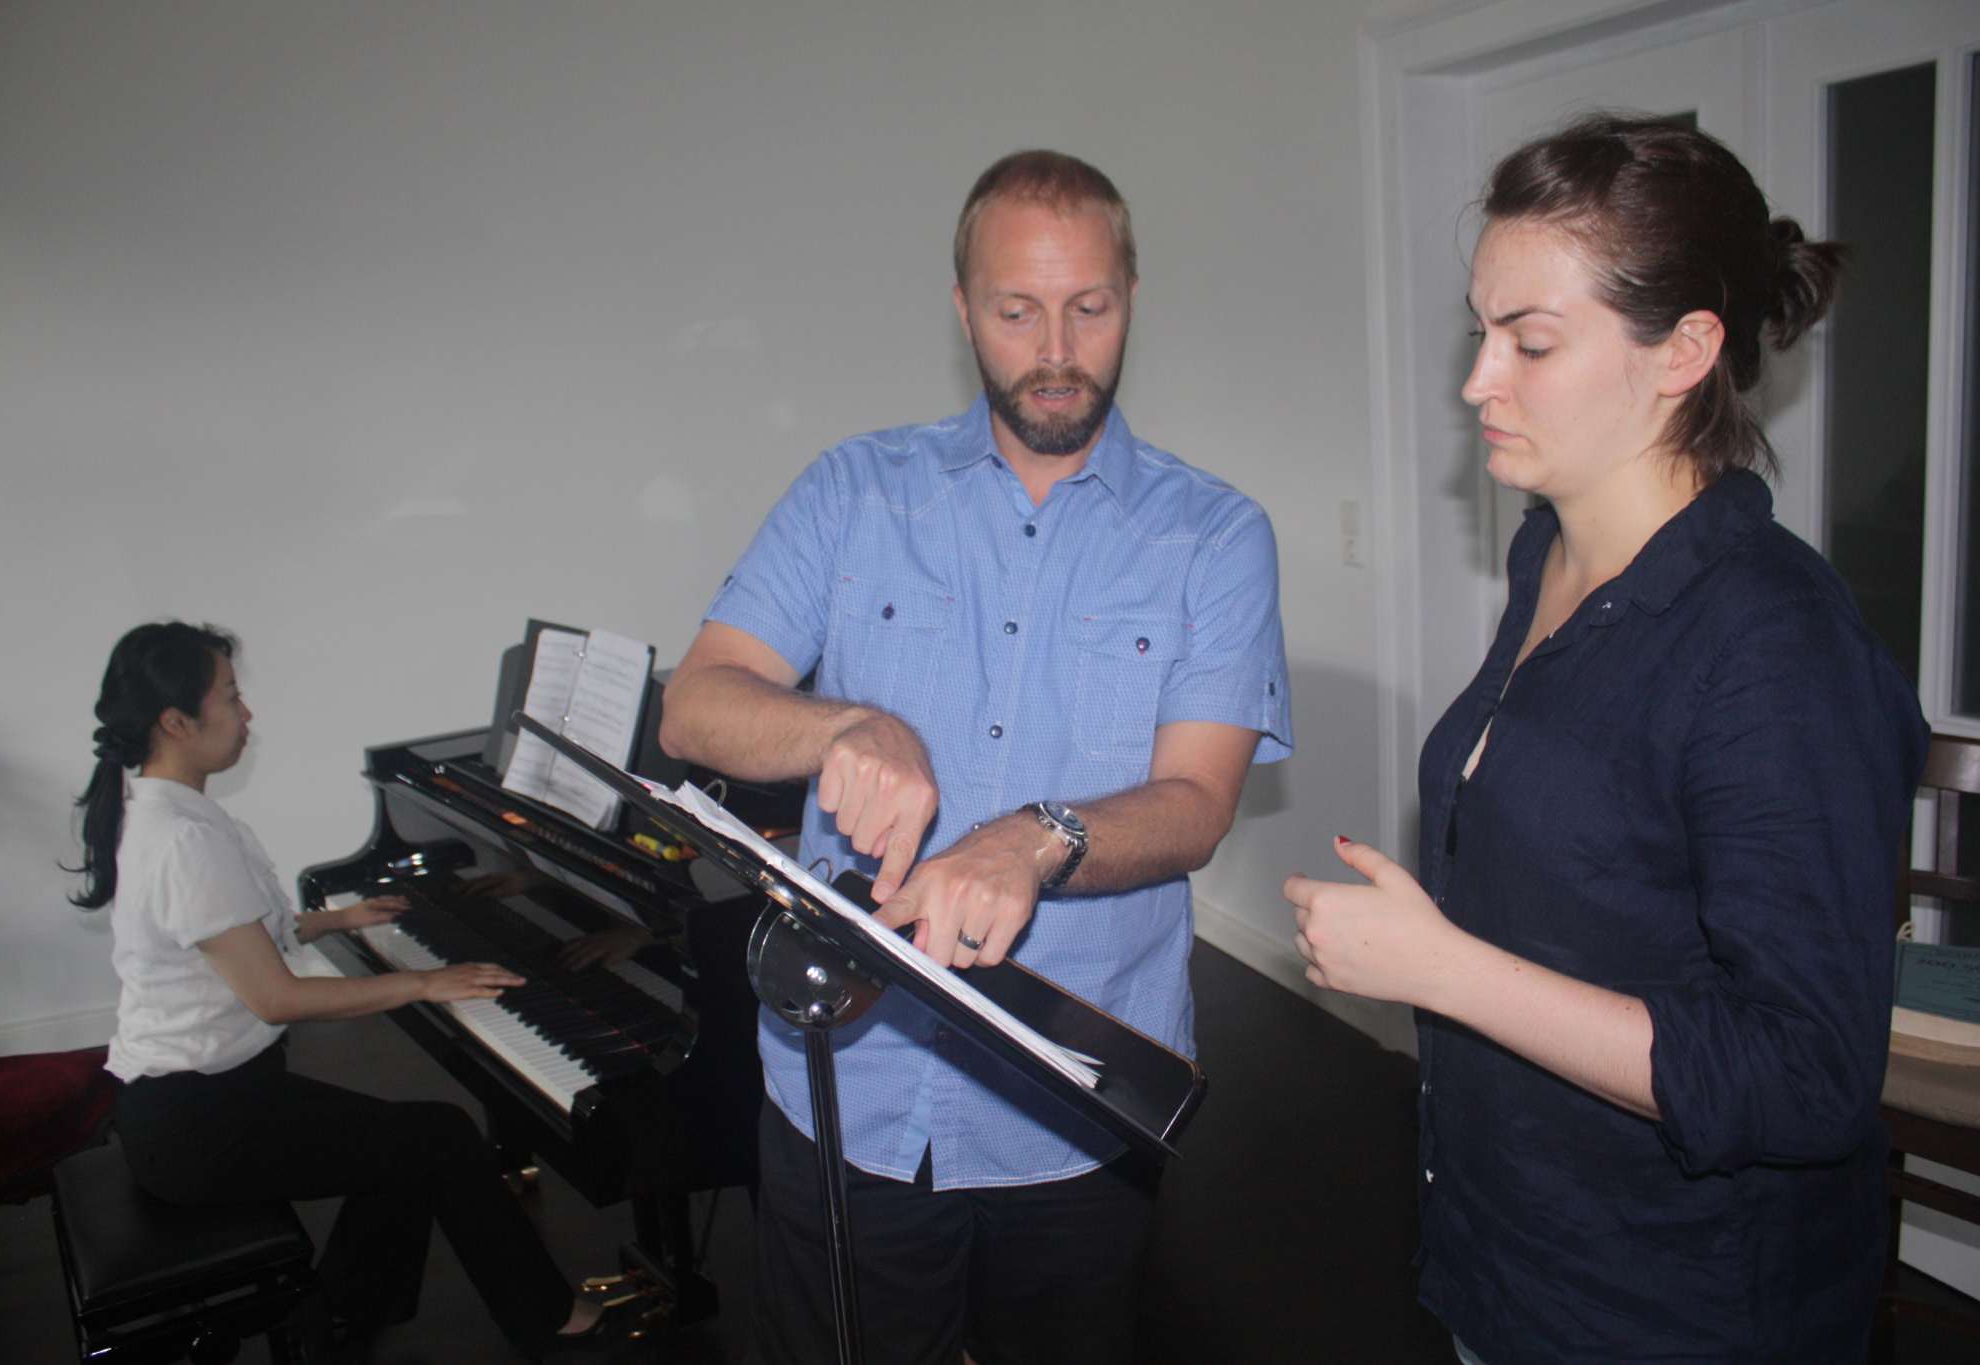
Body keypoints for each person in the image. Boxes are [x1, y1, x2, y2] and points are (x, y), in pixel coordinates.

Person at [1285, 114, 1929, 1363]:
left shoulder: (1772, 646)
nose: (1478, 381)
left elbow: (1804, 1077)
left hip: (1672, 1310)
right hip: (1509, 1250)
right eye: (1479, 332)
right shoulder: (1548, 551)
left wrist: (1439, 968)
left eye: (1530, 342)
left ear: (1683, 349)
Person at [658, 150, 1291, 1364]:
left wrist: (1035, 839)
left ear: (1130, 299)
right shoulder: (853, 489)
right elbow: (695, 705)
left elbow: (1196, 804)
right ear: (961, 311)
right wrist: (840, 726)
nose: (1055, 350)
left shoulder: (1214, 534)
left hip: (1073, 1107)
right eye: (1015, 311)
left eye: (1088, 307)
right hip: (846, 1087)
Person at [70, 621, 620, 1359]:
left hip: (190, 1102)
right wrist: (422, 981)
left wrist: (334, 920)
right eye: (230, 696)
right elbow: (275, 997)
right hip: (200, 1124)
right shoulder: (184, 839)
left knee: (402, 1139)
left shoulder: (158, 806)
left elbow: (221, 935)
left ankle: (343, 1313)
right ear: (176, 722)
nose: (247, 713)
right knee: (439, 1136)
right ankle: (549, 1318)